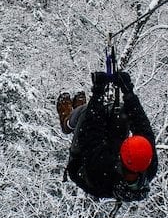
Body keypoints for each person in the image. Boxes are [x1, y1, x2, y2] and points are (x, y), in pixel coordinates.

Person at [57, 71, 158, 201]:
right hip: (110, 158)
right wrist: (128, 91)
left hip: (83, 165)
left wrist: (98, 92)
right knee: (120, 112)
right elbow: (142, 125)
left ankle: (68, 123)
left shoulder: (100, 173)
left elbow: (91, 131)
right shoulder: (148, 165)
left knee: (86, 113)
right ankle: (84, 110)